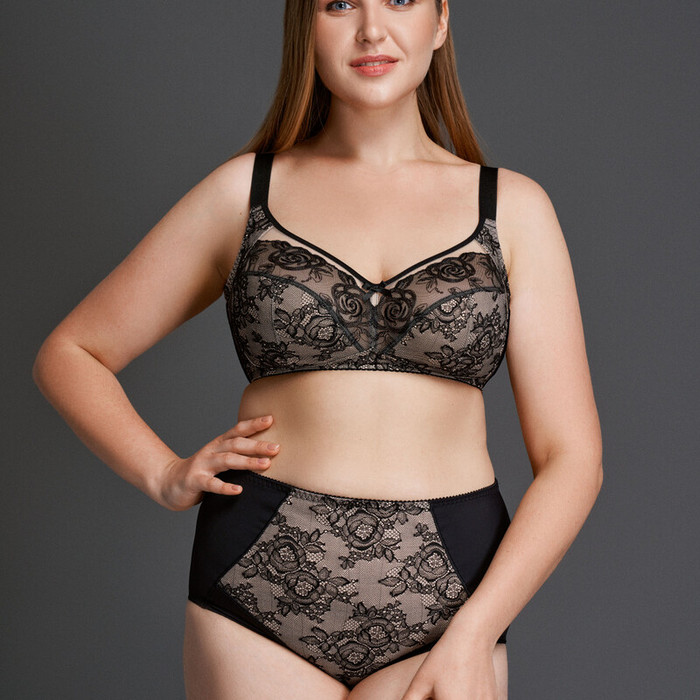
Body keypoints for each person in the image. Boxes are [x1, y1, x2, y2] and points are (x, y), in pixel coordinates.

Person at [32, 1, 603, 698]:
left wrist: (477, 631)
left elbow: (572, 459)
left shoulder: (513, 209)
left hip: (451, 594)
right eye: (339, 4)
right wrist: (163, 473)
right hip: (259, 574)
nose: (371, 29)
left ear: (440, 21)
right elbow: (73, 352)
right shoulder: (244, 192)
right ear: (307, 25)